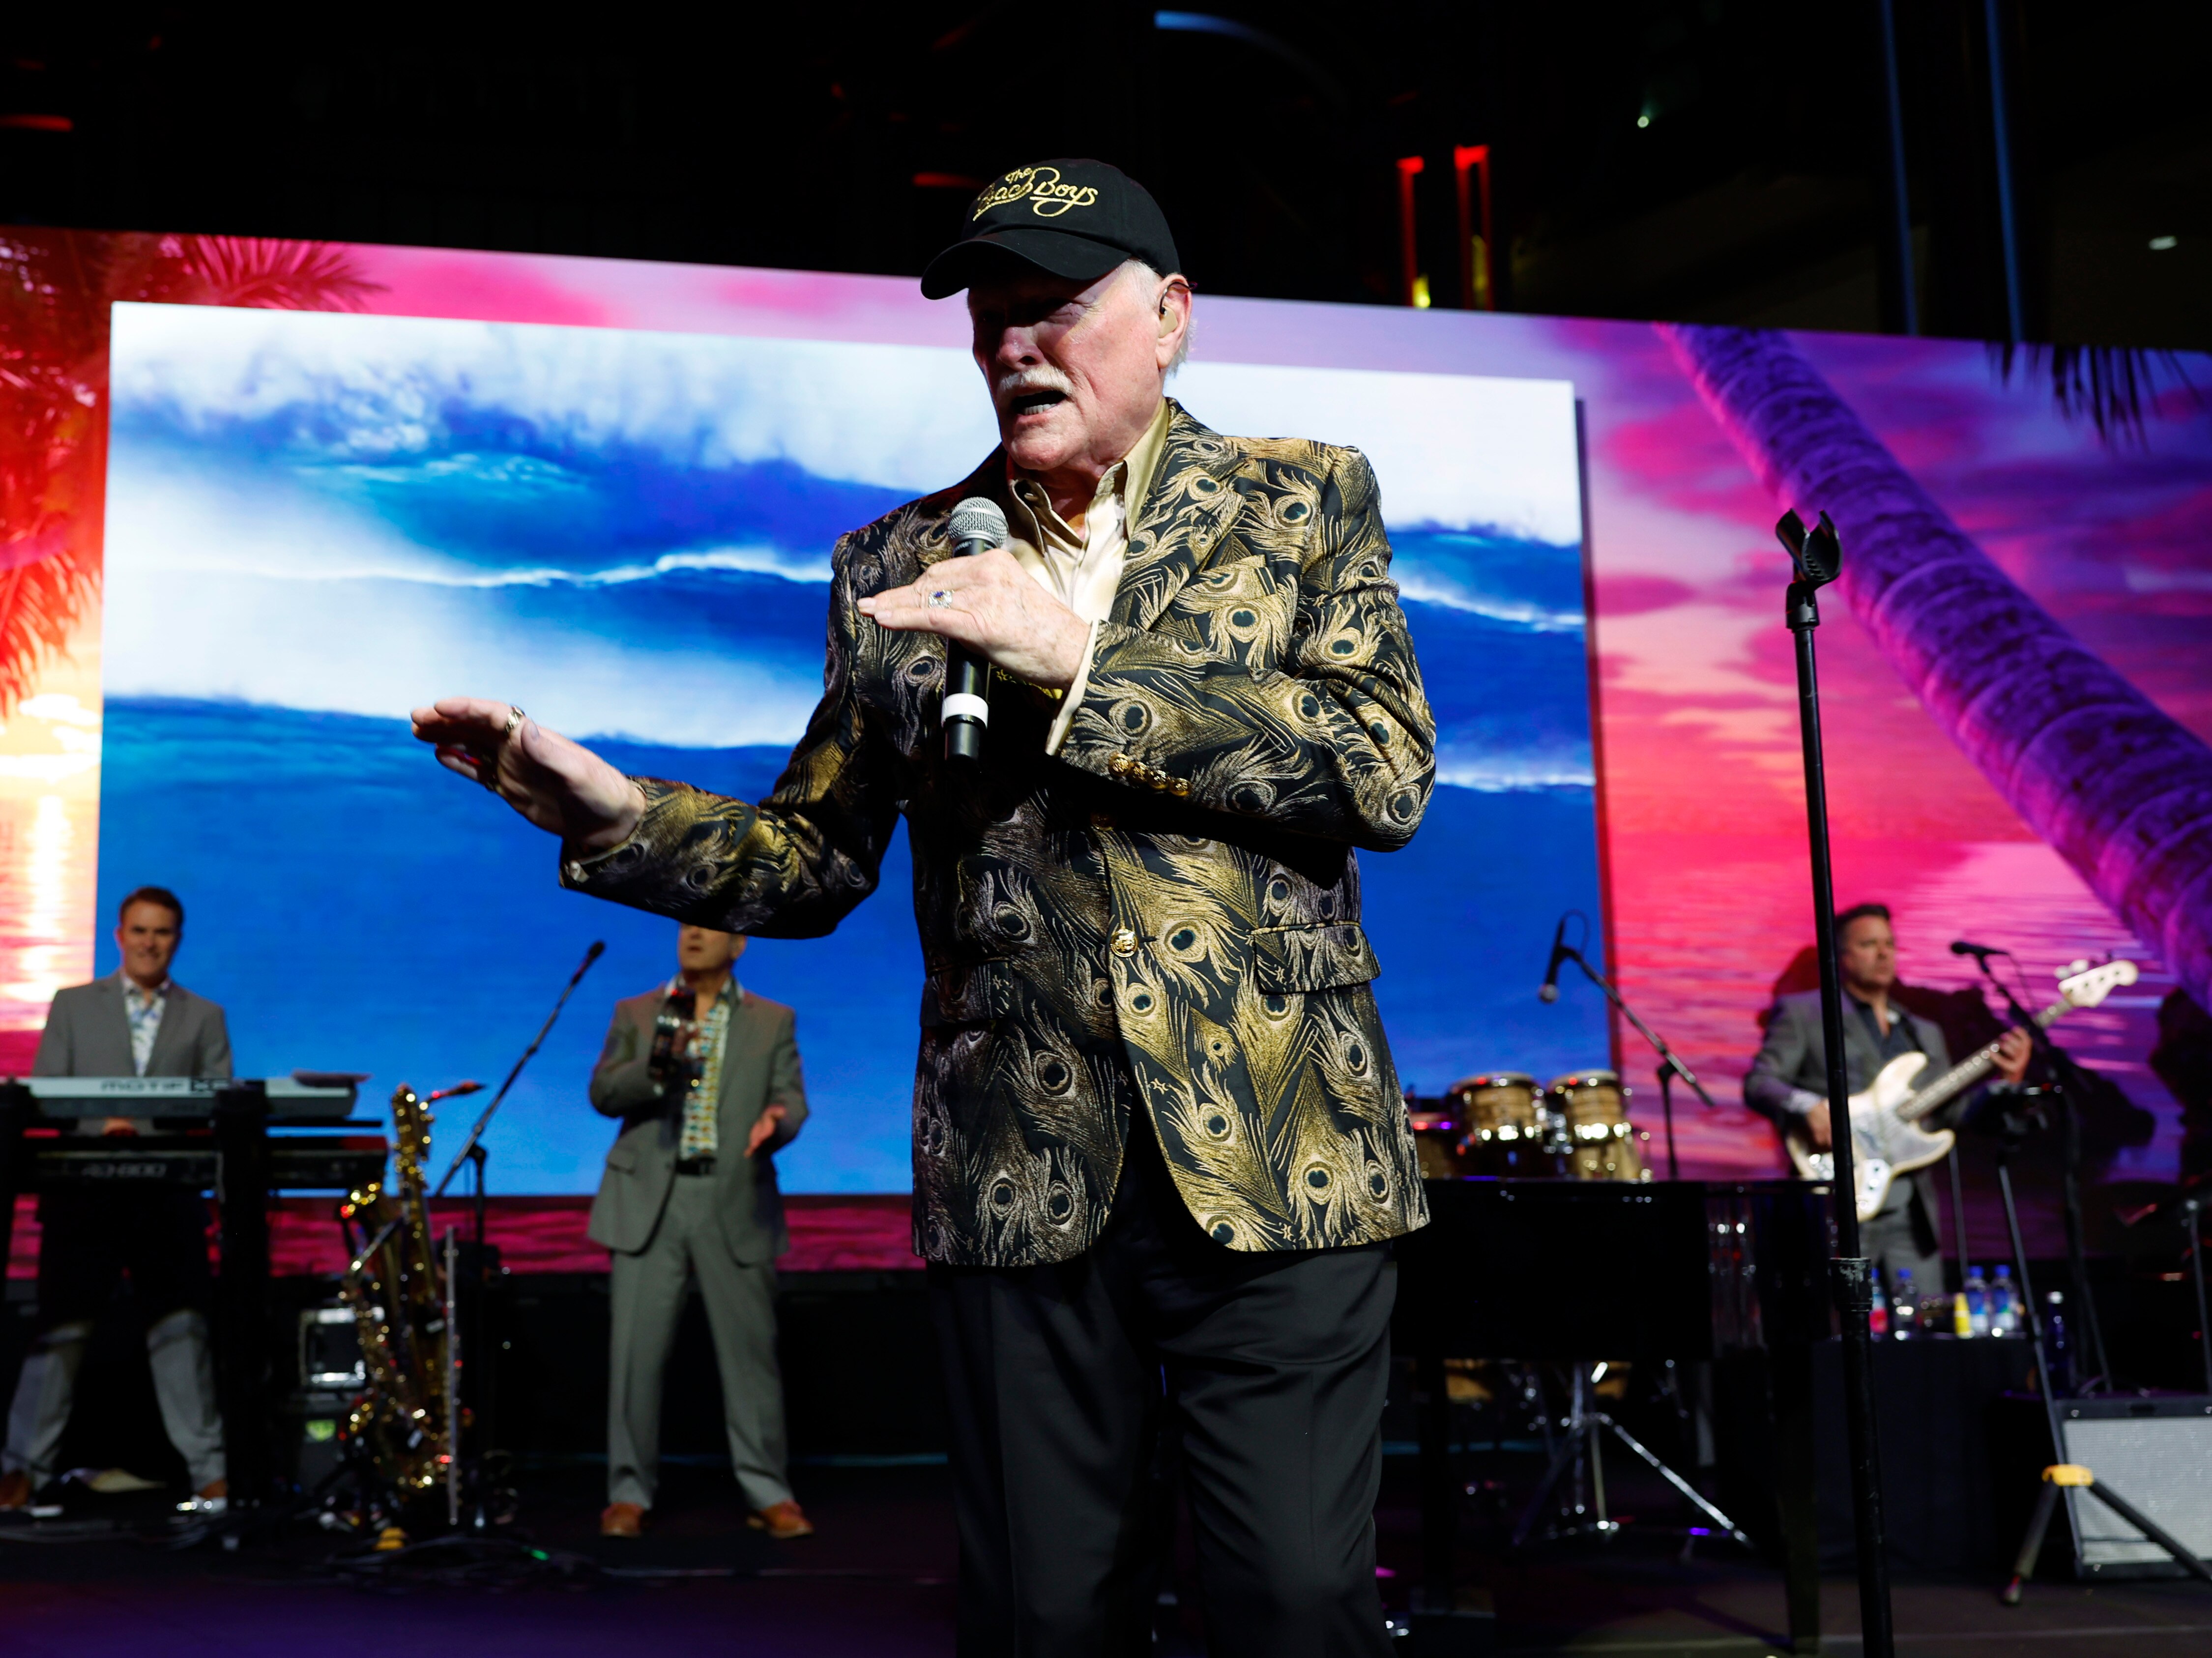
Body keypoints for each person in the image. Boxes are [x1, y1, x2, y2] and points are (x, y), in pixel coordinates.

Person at [413, 156, 1434, 1657]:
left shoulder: (1304, 498)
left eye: (1055, 306)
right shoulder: (899, 562)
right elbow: (814, 856)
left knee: (1289, 1602)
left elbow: (1381, 771)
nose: (1014, 342)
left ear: (1169, 318)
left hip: (1285, 1161)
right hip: (1022, 1173)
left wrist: (1081, 661)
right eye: (991, 314)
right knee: (1039, 1614)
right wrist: (616, 816)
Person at [0, 887, 231, 1513]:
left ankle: (211, 1473)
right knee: (61, 1334)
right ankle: (20, 1472)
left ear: (177, 939)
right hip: (86, 1195)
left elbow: (218, 1101)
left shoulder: (204, 1015)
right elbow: (44, 1090)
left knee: (182, 1335)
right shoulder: (72, 1005)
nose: (150, 942)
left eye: (162, 932)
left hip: (167, 1198)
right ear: (119, 935)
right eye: (140, 931)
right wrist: (95, 1124)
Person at [589, 923, 811, 1541]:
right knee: (635, 1356)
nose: (693, 932)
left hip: (732, 1194)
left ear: (738, 945)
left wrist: (778, 1121)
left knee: (750, 1357)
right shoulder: (637, 1011)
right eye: (685, 923)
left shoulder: (772, 1020)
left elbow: (791, 1099)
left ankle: (768, 1491)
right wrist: (655, 1069)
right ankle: (627, 1493)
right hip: (649, 1199)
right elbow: (605, 1092)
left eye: (709, 926)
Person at [1746, 902, 2030, 1292]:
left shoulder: (1923, 1032)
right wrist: (1808, 1106)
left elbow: (1956, 1116)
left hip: (1913, 1215)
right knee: (1842, 1327)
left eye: (1890, 944)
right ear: (1841, 957)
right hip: (1840, 1203)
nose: (1884, 954)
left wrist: (2008, 1078)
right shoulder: (1804, 1013)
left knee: (1922, 1334)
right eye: (1869, 944)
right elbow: (1761, 1082)